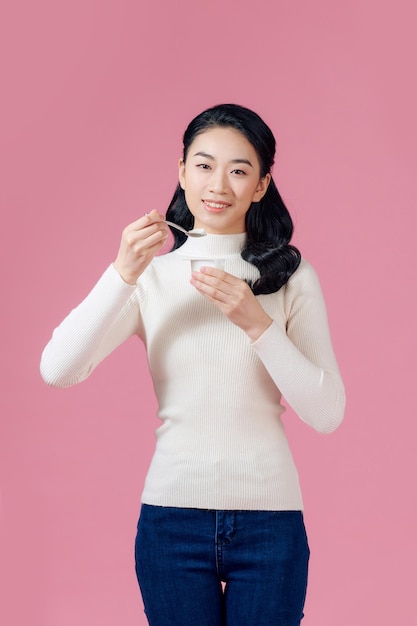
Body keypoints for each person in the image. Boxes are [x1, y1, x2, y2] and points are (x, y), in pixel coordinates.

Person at [40, 103, 345, 626]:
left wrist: (257, 323)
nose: (218, 183)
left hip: (271, 523)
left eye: (239, 169)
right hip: (171, 521)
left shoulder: (290, 276)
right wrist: (120, 274)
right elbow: (58, 369)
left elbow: (326, 413)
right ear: (181, 172)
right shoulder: (150, 279)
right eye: (203, 165)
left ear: (262, 184)